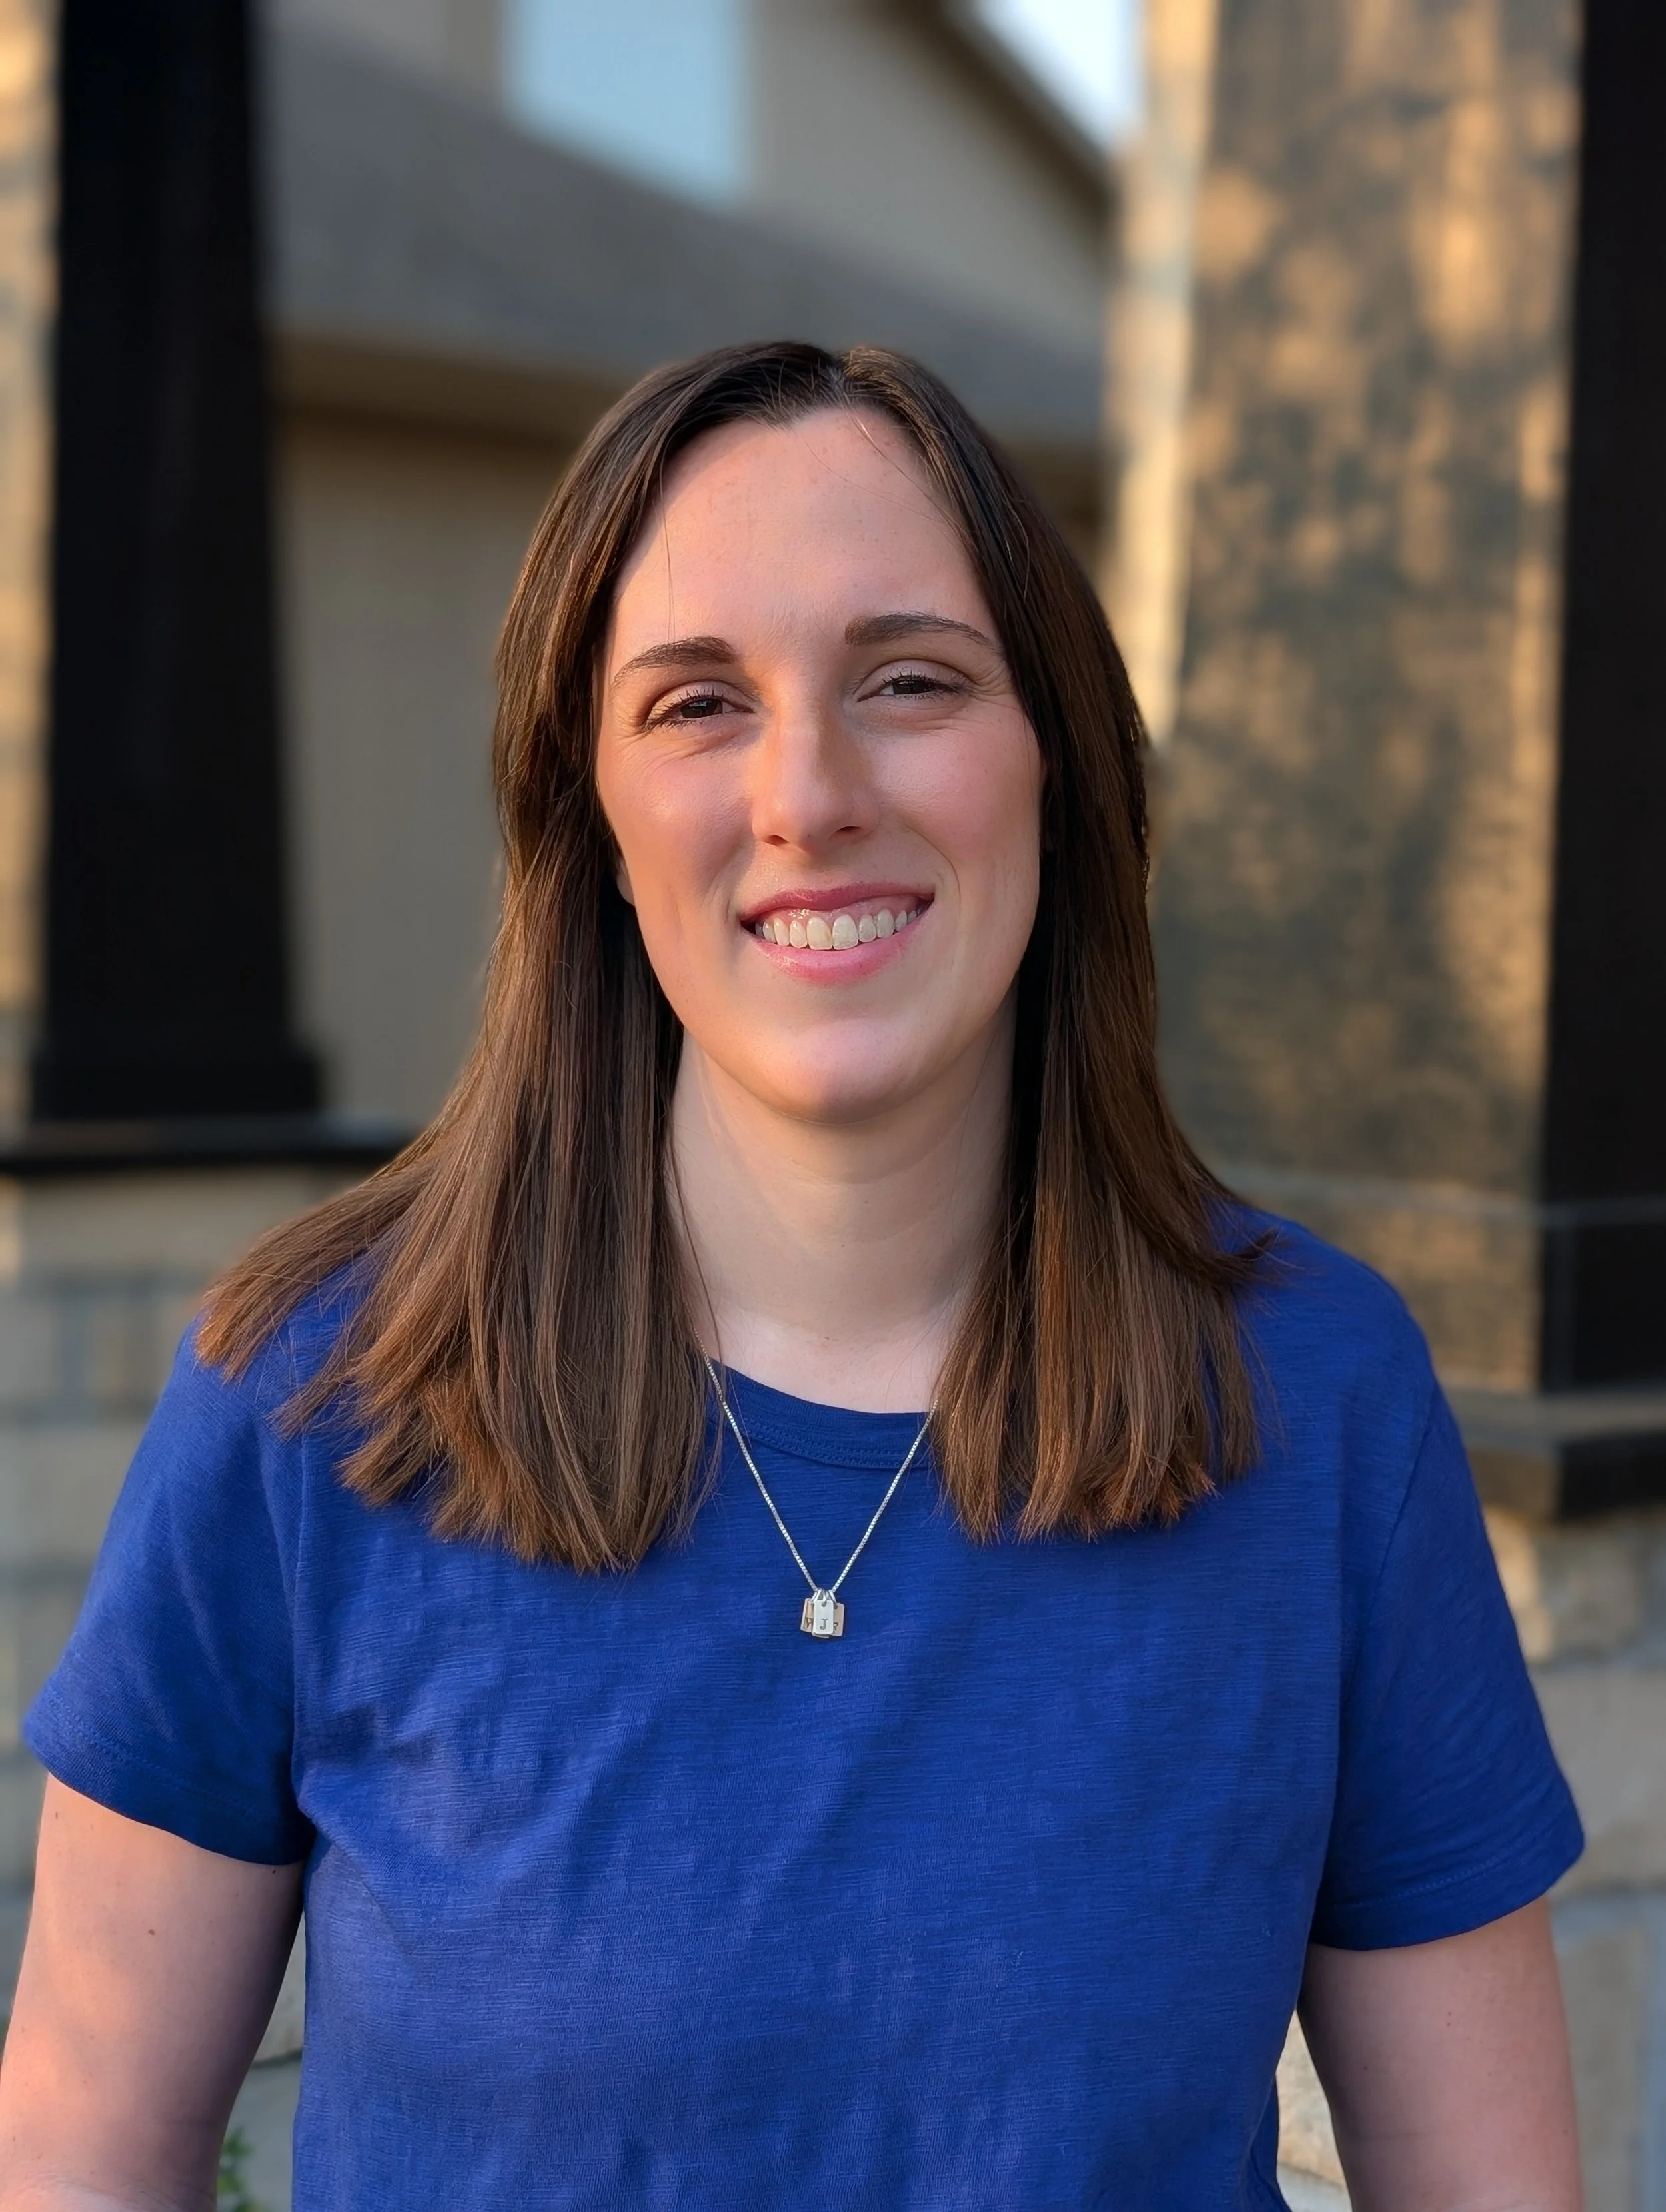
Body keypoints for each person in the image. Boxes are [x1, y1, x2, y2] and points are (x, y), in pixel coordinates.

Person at [0, 342, 1583, 2211]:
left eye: (909, 680)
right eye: (694, 706)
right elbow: (85, 2152)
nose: (807, 792)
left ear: (1056, 767)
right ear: (583, 812)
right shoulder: (312, 1396)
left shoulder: (1314, 1401)